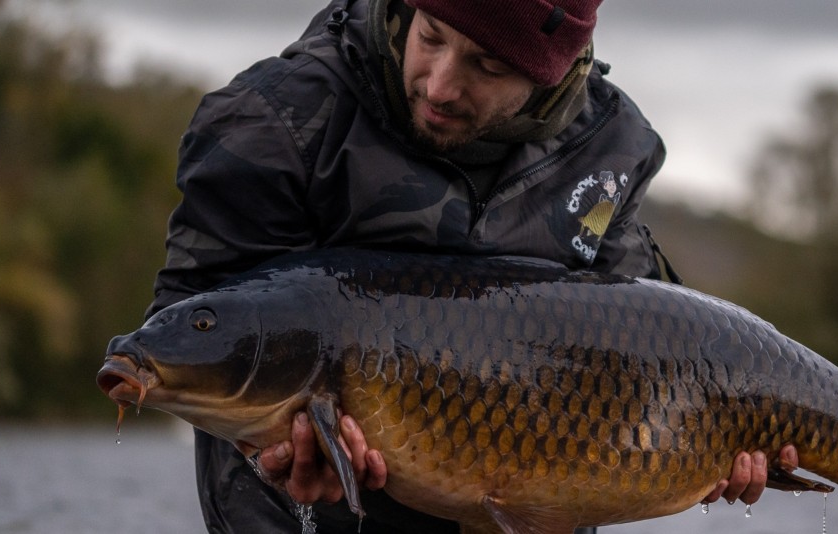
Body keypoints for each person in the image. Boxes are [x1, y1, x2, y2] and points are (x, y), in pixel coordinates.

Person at [144, 0, 799, 532]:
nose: (440, 83)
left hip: (529, 504)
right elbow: (193, 326)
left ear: (550, 70)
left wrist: (710, 441)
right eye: (431, 35)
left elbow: (643, 332)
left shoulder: (612, 146)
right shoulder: (275, 118)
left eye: (487, 64)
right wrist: (271, 449)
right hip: (297, 515)